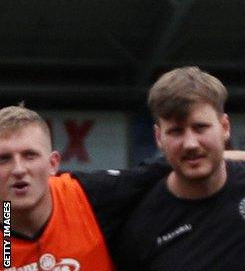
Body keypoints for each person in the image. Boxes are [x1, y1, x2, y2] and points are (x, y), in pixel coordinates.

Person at [111, 67, 245, 271]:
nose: (190, 143)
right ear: (158, 137)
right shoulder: (140, 228)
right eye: (176, 132)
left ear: (224, 127)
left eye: (200, 127)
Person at [1, 104, 169, 271]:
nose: (18, 169)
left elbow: (159, 171)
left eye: (30, 156)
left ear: (53, 164)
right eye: (4, 159)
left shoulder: (89, 195)